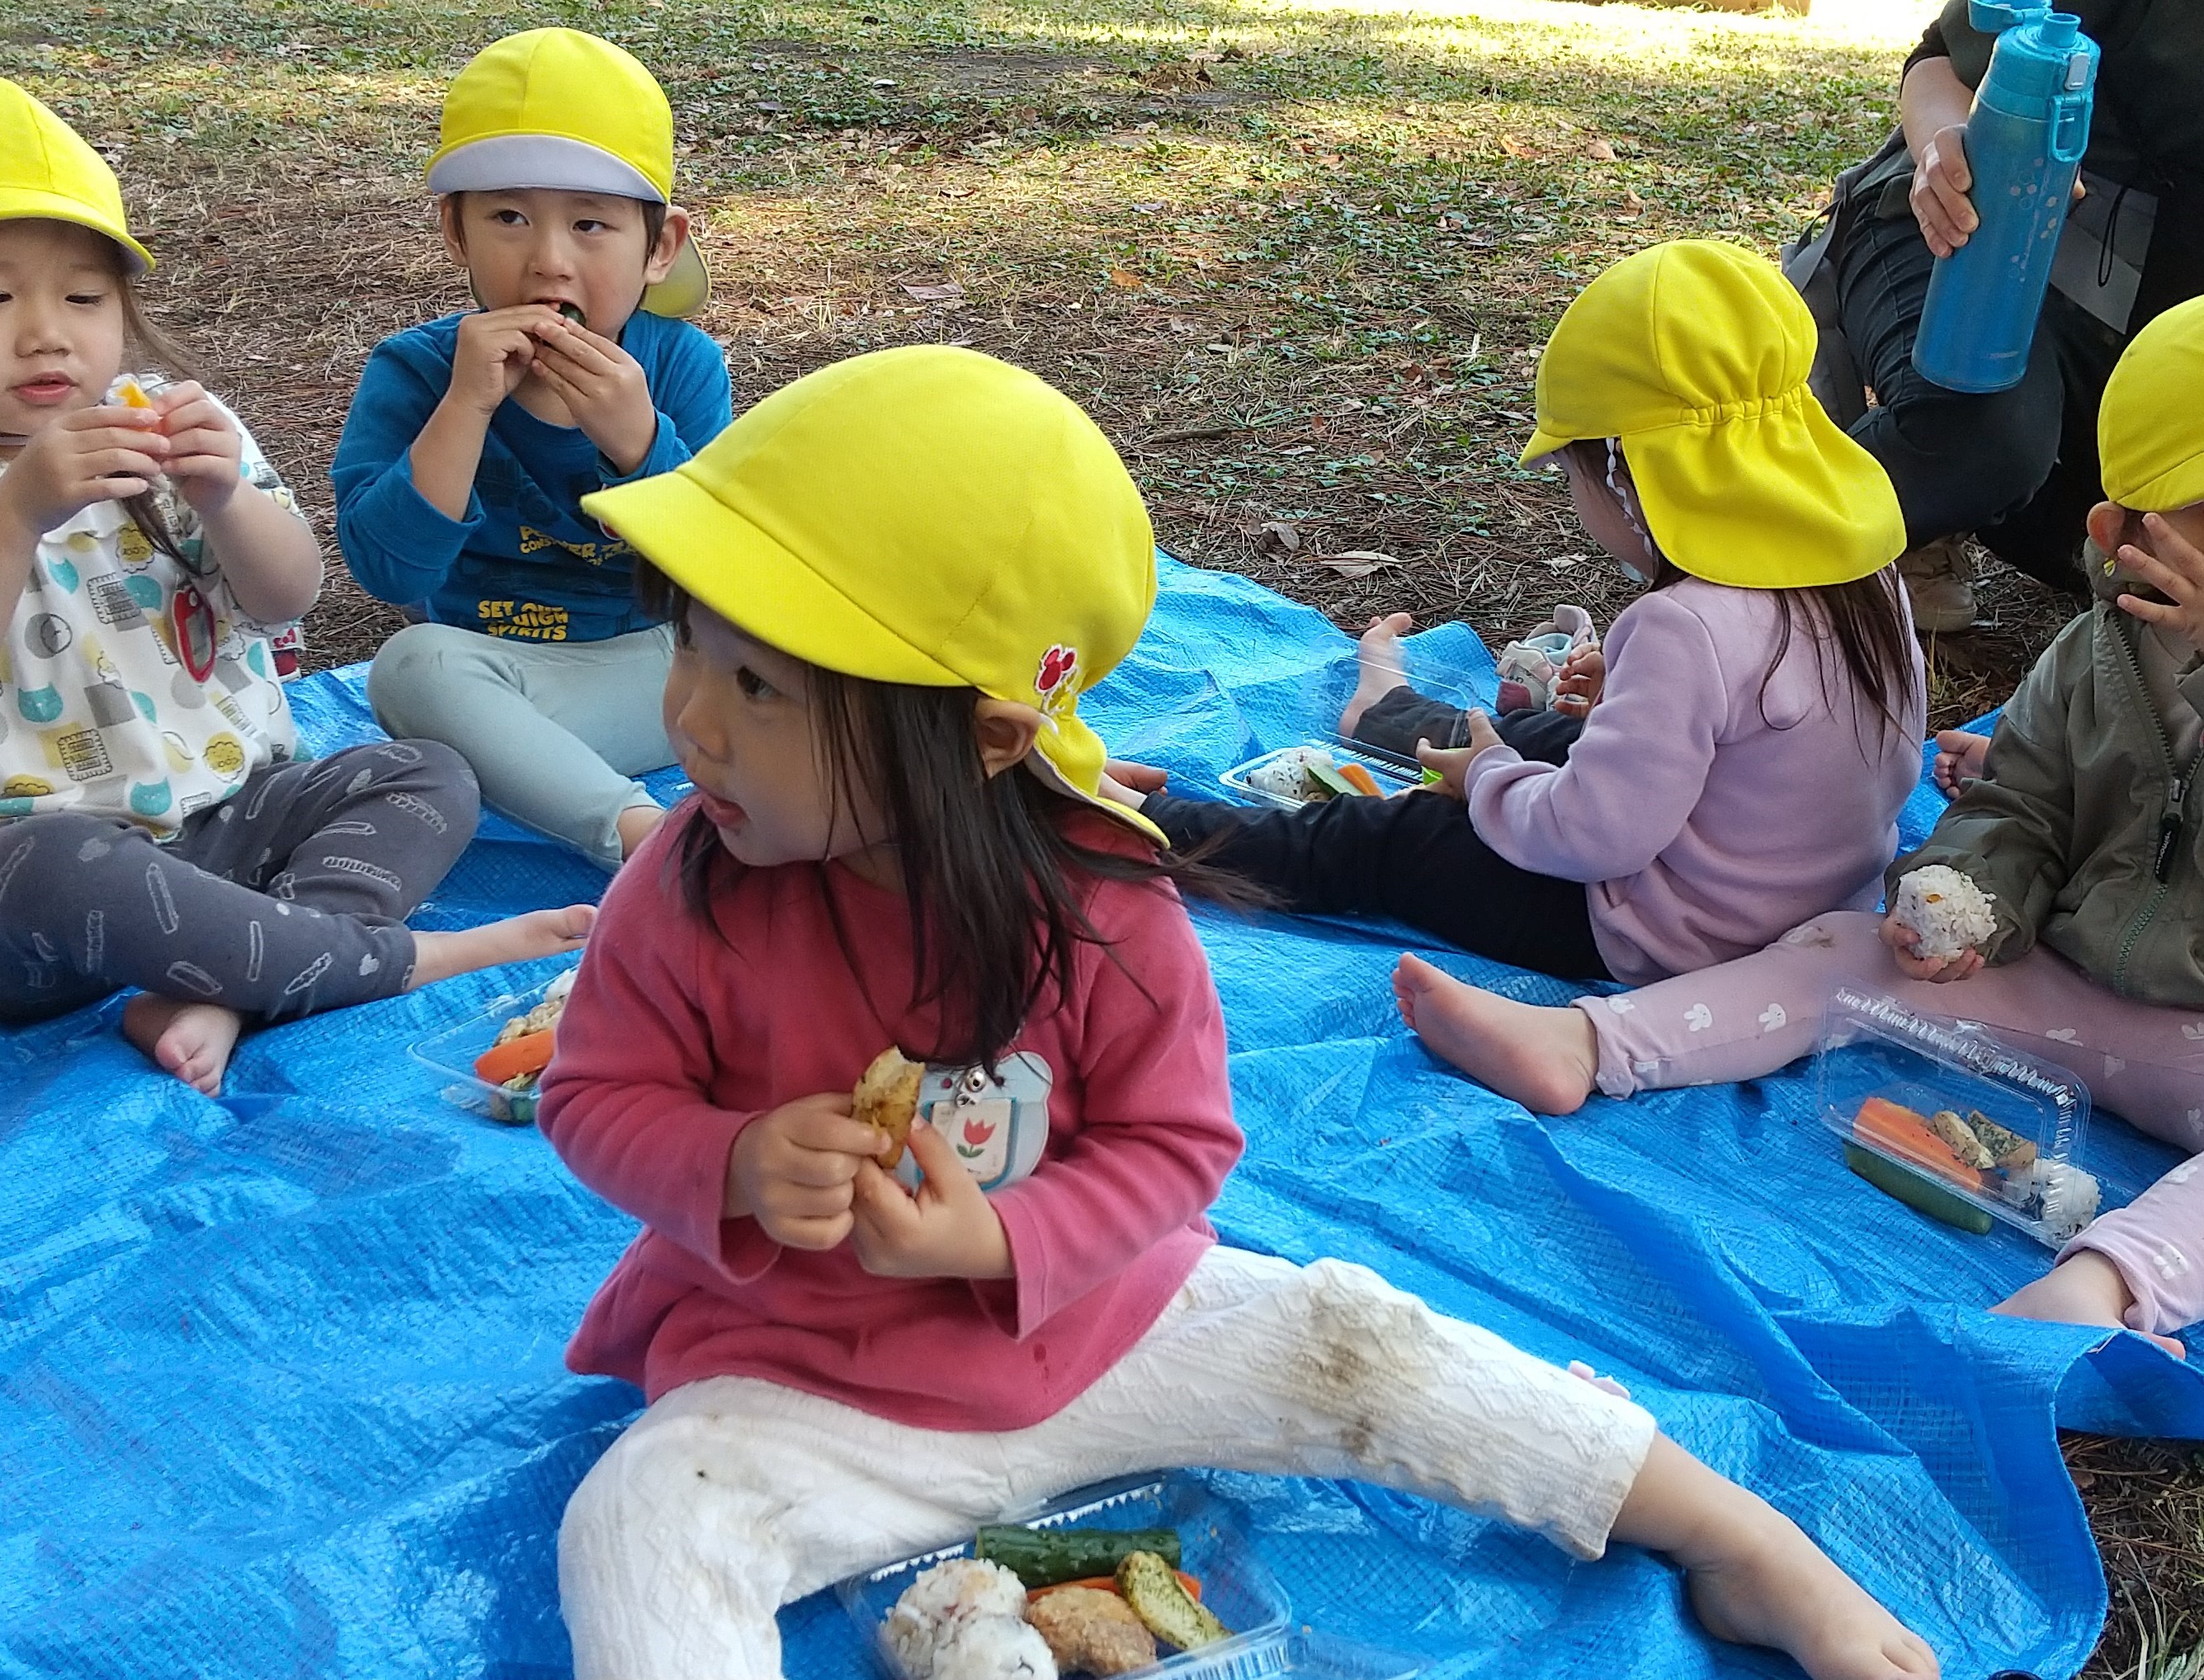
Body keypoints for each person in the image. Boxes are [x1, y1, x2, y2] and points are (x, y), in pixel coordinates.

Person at [533, 346, 1939, 1680]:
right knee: (642, 1516)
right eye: (692, 656)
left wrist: (999, 1236)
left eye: (760, 686)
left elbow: (1172, 1151)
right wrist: (725, 1163)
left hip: (1108, 1335)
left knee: (1367, 1336)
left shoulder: (1101, 909)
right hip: (812, 1390)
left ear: (981, 735)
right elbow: (589, 1098)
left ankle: (1729, 1534)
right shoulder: (686, 880)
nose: (693, 726)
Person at [1397, 286, 2204, 1358]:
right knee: (1844, 944)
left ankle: (2107, 1289)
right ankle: (1592, 1043)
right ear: (2126, 534)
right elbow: (2024, 803)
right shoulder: (2098, 653)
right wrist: (1973, 895)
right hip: (2072, 996)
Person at [0, 75, 592, 1092]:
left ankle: (231, 981)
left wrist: (226, 496)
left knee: (426, 772)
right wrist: (13, 512)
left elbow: (287, 597)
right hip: (5, 877)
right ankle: (393, 959)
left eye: (84, 297)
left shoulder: (165, 422)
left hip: (223, 819)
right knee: (55, 866)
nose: (47, 331)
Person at [1116, 242, 1925, 989]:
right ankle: (1390, 713)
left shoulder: (1684, 625)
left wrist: (1488, 787)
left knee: (1390, 837)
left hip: (1676, 932)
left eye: (1568, 472)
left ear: (1622, 474)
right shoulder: (1860, 568)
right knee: (1562, 740)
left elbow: (1594, 838)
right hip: (1817, 892)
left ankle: (1143, 824)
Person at [1798, 0, 2204, 630]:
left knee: (2129, 549)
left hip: (2185, 267)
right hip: (1979, 223)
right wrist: (1951, 160)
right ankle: (1856, 485)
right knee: (1984, 440)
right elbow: (1941, 60)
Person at [332, 27, 731, 870]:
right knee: (408, 668)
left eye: (591, 224)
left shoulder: (679, 365)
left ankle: (518, 771)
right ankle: (640, 838)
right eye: (508, 217)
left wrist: (641, 445)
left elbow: (723, 576)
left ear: (658, 247)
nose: (548, 262)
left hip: (661, 671)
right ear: (455, 231)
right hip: (492, 677)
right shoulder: (415, 370)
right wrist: (464, 405)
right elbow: (391, 575)